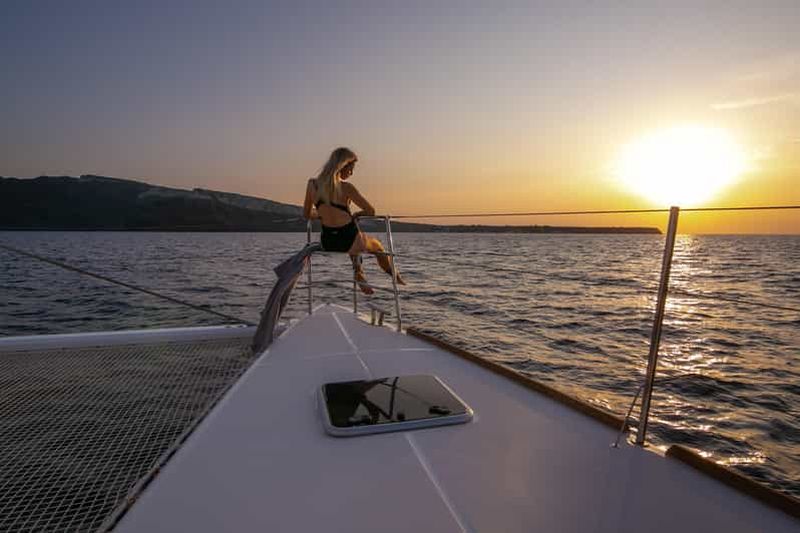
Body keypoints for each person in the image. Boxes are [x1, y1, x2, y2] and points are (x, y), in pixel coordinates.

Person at [303, 147, 405, 294]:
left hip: (328, 241)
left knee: (352, 235)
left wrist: (321, 214)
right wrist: (358, 213)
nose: (352, 172)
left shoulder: (312, 184)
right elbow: (371, 211)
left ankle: (358, 270)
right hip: (349, 240)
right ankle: (394, 276)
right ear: (342, 166)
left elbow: (306, 214)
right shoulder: (347, 188)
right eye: (351, 168)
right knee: (377, 247)